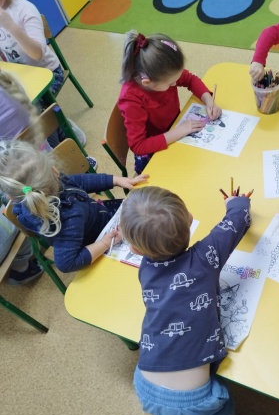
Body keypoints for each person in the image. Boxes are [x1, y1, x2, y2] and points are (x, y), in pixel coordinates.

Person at [120, 185, 251, 415]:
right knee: (221, 408)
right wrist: (236, 202)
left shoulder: (145, 269)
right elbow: (237, 220)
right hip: (195, 400)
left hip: (144, 384)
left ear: (135, 250)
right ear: (190, 221)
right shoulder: (205, 256)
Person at [0, 140, 148, 273]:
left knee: (146, 208)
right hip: (98, 240)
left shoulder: (48, 187)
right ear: (53, 170)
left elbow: (78, 181)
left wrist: (115, 180)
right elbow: (66, 263)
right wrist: (104, 243)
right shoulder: (69, 217)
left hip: (98, 215)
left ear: (10, 197)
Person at [0, 0, 91, 156]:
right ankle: (56, 130)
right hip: (21, 78)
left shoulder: (24, 10)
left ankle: (63, 136)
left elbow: (37, 54)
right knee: (13, 113)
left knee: (34, 112)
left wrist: (10, 25)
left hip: (49, 74)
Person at [118, 32, 222, 174]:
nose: (175, 83)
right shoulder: (131, 100)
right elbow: (139, 146)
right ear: (147, 82)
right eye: (171, 83)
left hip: (175, 129)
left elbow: (190, 79)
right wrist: (178, 132)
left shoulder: (162, 73)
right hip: (154, 153)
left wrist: (208, 100)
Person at [0, 69, 44, 285]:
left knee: (10, 213)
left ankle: (22, 265)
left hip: (26, 183)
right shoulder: (6, 81)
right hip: (46, 158)